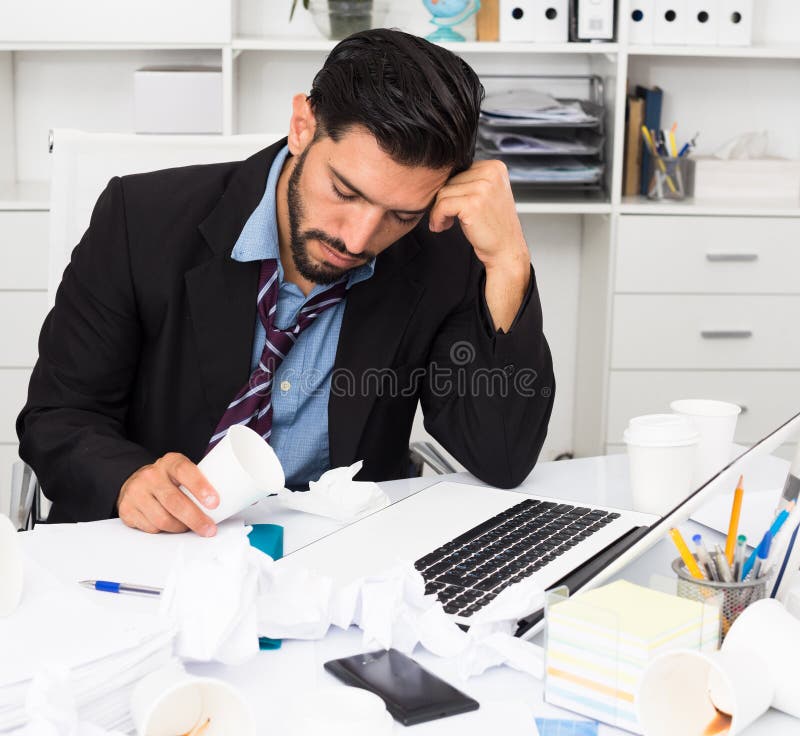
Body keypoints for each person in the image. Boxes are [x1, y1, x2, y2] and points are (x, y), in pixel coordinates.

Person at [17, 28, 554, 535]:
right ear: (303, 125)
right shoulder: (141, 220)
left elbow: (501, 456)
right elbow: (58, 416)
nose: (360, 238)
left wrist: (509, 261)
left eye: (402, 214)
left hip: (337, 562)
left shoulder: (441, 254)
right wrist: (127, 480)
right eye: (345, 191)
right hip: (161, 551)